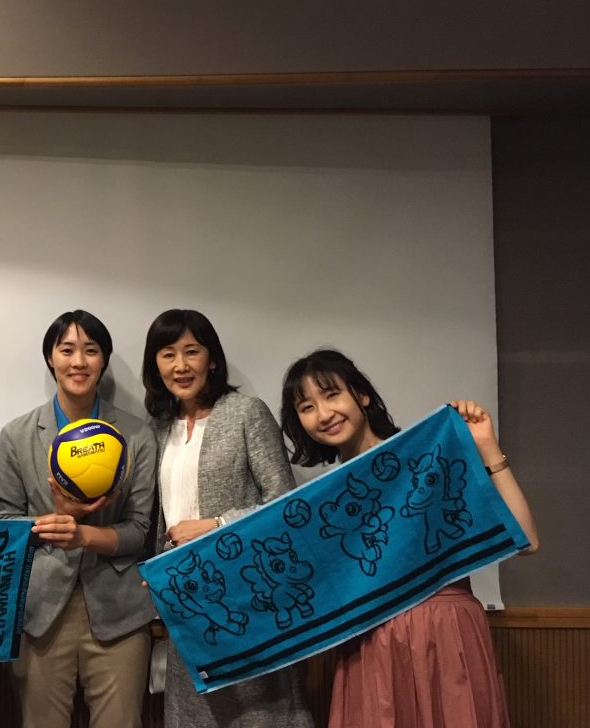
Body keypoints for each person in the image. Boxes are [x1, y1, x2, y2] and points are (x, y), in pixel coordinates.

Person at [279, 348, 540, 728]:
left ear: (361, 395)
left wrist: (487, 446)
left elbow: (527, 540)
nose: (323, 414)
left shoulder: (429, 460)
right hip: (371, 644)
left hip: (447, 633)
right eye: (307, 407)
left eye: (332, 395)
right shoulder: (325, 504)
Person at [141, 309, 314, 728]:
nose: (180, 365)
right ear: (156, 365)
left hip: (248, 596)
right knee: (192, 714)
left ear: (212, 360)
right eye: (168, 354)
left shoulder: (245, 412)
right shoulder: (159, 427)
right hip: (185, 600)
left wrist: (217, 524)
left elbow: (285, 505)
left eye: (192, 352)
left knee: (261, 714)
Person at [0, 310, 157, 728]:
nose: (78, 362)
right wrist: (56, 520)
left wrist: (83, 534)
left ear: (104, 360)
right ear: (50, 358)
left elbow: (140, 531)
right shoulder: (17, 435)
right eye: (67, 350)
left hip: (120, 610)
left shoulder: (137, 434)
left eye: (91, 350)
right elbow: (5, 524)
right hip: (40, 610)